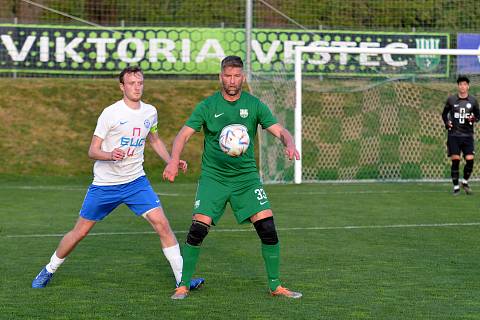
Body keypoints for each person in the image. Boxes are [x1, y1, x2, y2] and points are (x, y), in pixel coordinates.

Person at [32, 66, 204, 290]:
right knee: (80, 232)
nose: (136, 87)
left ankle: (183, 279)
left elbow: (153, 140)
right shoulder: (110, 113)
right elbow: (92, 150)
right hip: (105, 185)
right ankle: (49, 269)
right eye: (131, 83)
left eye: (140, 83)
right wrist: (109, 155)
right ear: (122, 86)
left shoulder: (150, 111)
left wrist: (171, 160)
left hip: (135, 182)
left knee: (162, 224)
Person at [163, 56, 302, 300]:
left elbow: (279, 130)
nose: (232, 81)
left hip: (246, 179)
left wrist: (289, 143)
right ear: (220, 76)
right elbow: (183, 135)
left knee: (267, 228)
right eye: (227, 75)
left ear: (243, 77)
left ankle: (276, 286)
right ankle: (183, 285)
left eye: (237, 76)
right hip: (213, 178)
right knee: (198, 228)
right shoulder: (208, 106)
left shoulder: (254, 104)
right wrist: (174, 160)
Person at [442, 75, 480, 195]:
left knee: (470, 159)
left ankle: (464, 181)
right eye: (460, 84)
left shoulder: (473, 101)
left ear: (468, 86)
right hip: (454, 135)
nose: (462, 86)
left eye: (465, 84)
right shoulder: (451, 100)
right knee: (456, 159)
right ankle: (456, 187)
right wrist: (447, 123)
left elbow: (478, 116)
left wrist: (473, 118)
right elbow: (444, 114)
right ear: (458, 86)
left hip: (467, 135)